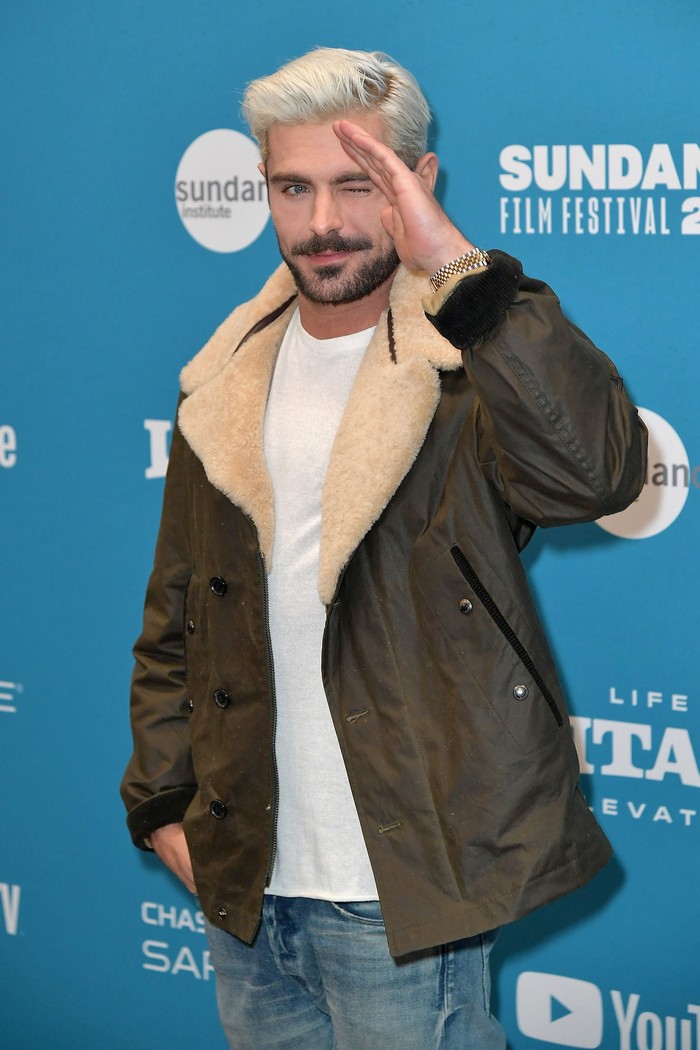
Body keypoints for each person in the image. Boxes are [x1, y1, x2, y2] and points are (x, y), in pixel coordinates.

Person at [121, 46, 646, 1049]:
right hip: (246, 881)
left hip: (393, 891)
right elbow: (176, 616)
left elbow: (597, 474)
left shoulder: (463, 366)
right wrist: (165, 802)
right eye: (292, 187)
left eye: (356, 185)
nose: (321, 222)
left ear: (416, 182)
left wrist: (461, 270)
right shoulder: (223, 378)